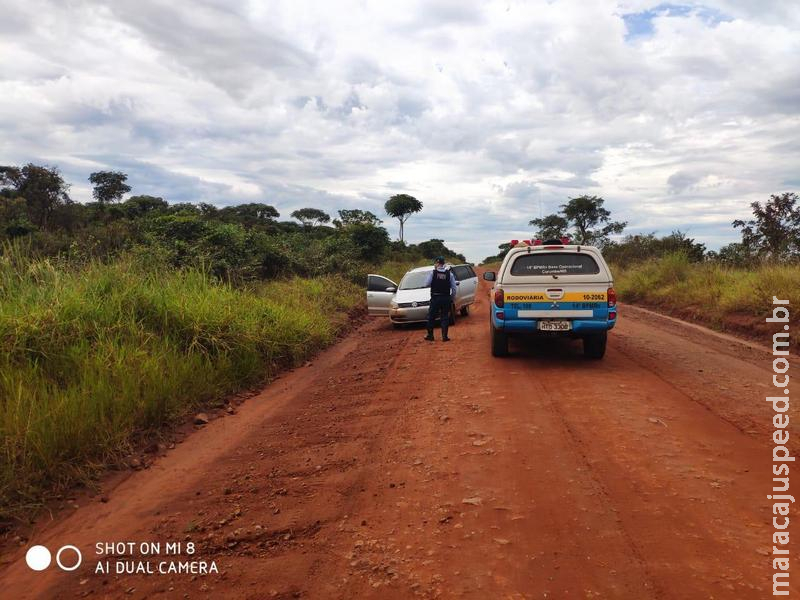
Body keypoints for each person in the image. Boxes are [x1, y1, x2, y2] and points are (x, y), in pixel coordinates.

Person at [423, 256, 457, 342]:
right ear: (444, 264)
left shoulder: (433, 273)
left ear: (437, 263)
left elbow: (426, 284)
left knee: (431, 316)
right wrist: (451, 298)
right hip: (446, 298)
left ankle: (430, 335)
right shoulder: (450, 274)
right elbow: (454, 288)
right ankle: (444, 336)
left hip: (435, 297)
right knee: (445, 316)